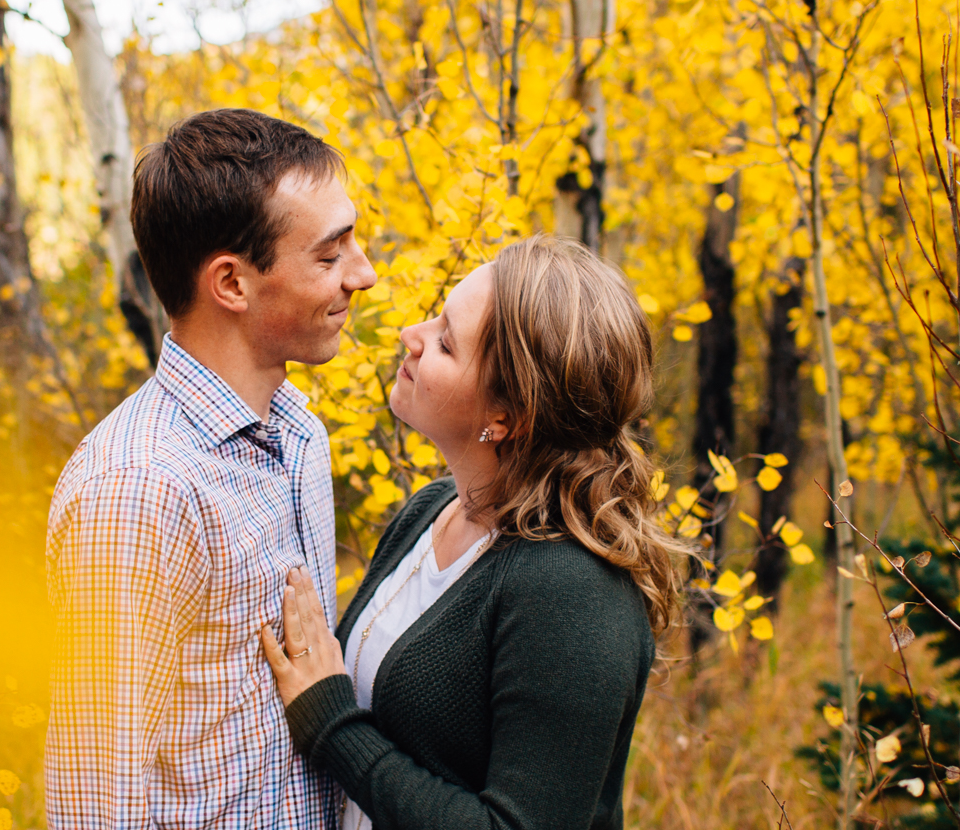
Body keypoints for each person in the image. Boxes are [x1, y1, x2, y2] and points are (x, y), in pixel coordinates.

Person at [260, 236, 686, 830]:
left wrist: (333, 727)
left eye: (445, 342)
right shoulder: (432, 510)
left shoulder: (574, 593)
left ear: (505, 418)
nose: (413, 333)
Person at [46, 109, 376, 830]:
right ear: (231, 282)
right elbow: (95, 801)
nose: (364, 275)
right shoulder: (137, 491)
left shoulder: (301, 437)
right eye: (328, 256)